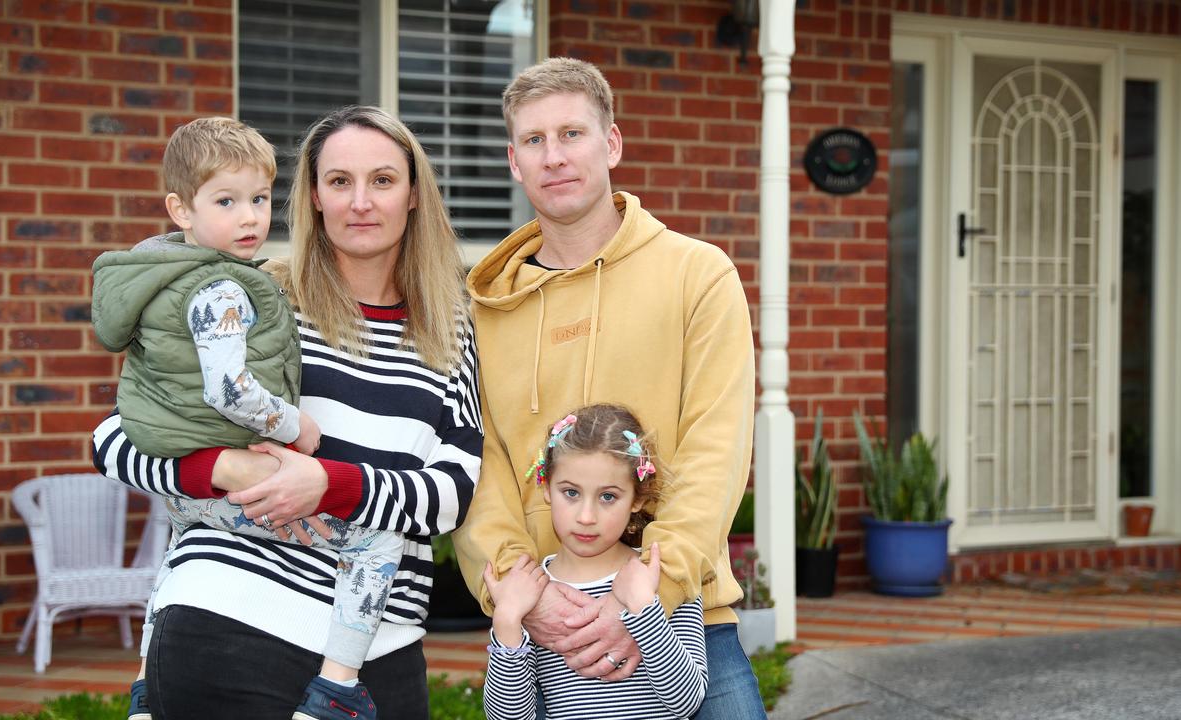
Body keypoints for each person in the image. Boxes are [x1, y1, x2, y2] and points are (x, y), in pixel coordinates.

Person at [91, 105, 481, 720]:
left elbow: (454, 493)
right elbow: (116, 438)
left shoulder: (450, 332)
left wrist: (329, 483)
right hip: (230, 618)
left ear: (413, 196)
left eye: (382, 180)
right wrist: (226, 470)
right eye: (338, 182)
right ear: (314, 198)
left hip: (382, 650)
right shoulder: (256, 298)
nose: (360, 202)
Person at [452, 57, 765, 718]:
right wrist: (524, 593)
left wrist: (646, 592)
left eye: (572, 134)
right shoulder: (482, 312)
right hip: (544, 638)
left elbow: (718, 451)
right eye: (534, 141)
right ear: (514, 161)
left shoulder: (698, 276)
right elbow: (476, 466)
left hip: (686, 622)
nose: (554, 156)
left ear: (612, 144)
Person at [482, 404, 707, 720]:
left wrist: (645, 609)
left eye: (608, 497)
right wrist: (507, 622)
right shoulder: (531, 591)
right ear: (545, 487)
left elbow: (688, 700)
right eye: (571, 493)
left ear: (637, 499)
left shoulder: (659, 576)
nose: (586, 517)